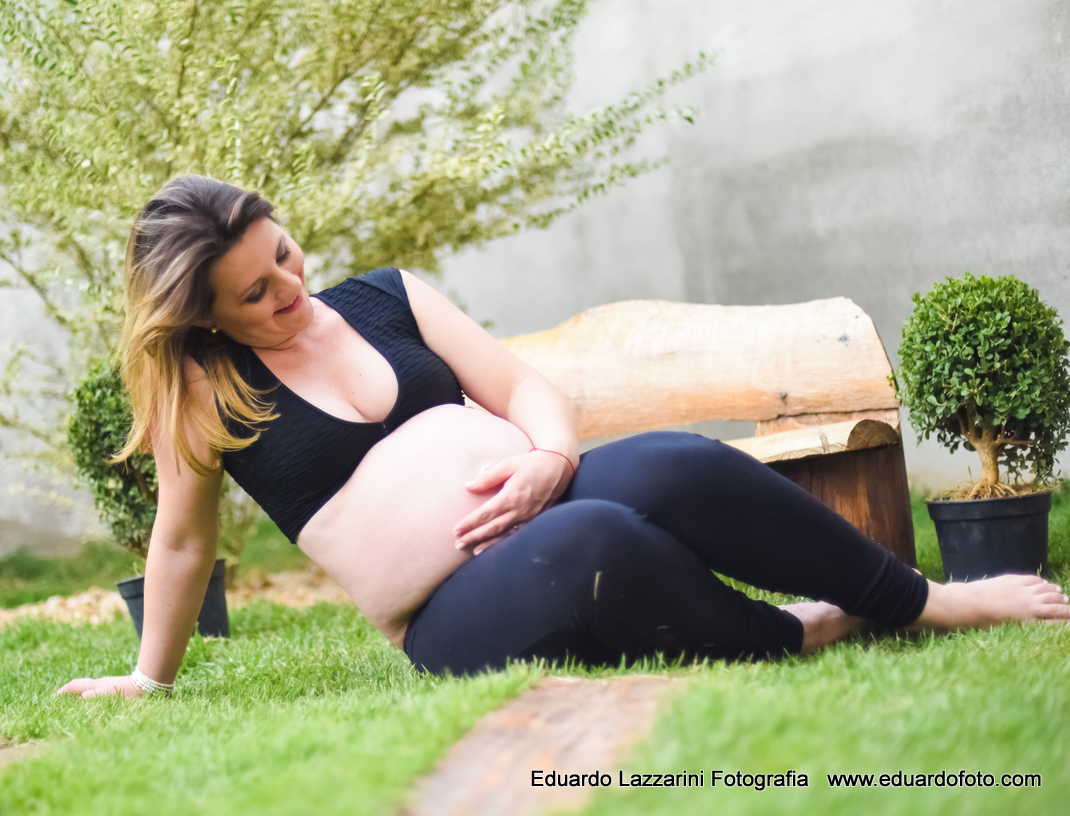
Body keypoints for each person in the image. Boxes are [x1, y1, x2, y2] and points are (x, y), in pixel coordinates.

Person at [57, 176, 1070, 699]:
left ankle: (927, 600)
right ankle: (801, 630)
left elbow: (520, 387)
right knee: (603, 544)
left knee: (672, 459)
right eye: (258, 293)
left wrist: (546, 457)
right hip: (452, 615)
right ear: (205, 318)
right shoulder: (205, 395)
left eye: (285, 254)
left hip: (551, 495)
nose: (291, 288)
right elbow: (183, 543)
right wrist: (151, 677)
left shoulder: (387, 298)